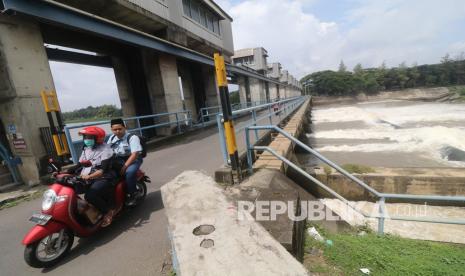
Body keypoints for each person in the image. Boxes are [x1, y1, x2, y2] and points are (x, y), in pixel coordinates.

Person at [77, 126, 115, 227]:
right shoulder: (86, 149)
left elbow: (103, 170)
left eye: (89, 137)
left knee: (89, 195)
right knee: (74, 189)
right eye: (85, 137)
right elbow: (79, 164)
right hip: (89, 175)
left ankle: (108, 211)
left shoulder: (105, 149)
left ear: (97, 138)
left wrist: (89, 176)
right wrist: (64, 172)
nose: (86, 139)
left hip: (104, 177)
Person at [107, 118, 143, 206]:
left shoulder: (132, 138)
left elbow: (135, 154)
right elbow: (107, 150)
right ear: (111, 130)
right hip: (119, 159)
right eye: (115, 129)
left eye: (120, 129)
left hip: (134, 159)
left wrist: (125, 166)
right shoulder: (111, 138)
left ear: (124, 128)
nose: (117, 131)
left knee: (129, 172)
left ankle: (133, 194)